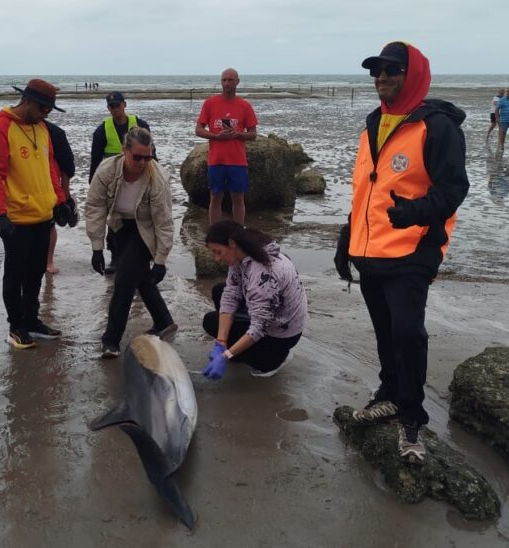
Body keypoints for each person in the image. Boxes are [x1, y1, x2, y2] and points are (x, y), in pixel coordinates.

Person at [334, 42, 469, 464]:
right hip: (371, 251)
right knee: (385, 332)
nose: (381, 77)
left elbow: (454, 189)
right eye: (376, 71)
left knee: (409, 333)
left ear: (412, 75)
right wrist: (346, 240)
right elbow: (364, 192)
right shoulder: (372, 124)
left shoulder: (437, 126)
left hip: (413, 251)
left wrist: (415, 213)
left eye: (391, 70)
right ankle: (390, 393)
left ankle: (412, 420)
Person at [0, 79, 71, 348]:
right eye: (44, 108)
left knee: (35, 273)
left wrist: (60, 201)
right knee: (15, 274)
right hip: (17, 218)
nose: (47, 113)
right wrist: (0, 214)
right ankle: (16, 326)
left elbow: (49, 169)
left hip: (42, 216)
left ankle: (32, 320)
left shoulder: (43, 129)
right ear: (29, 102)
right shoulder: (0, 129)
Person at [86, 127, 176, 358]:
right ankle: (164, 321)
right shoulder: (106, 170)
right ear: (125, 151)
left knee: (124, 282)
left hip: (144, 230)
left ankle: (111, 340)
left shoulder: (157, 178)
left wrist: (161, 260)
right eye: (137, 157)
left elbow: (164, 221)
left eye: (148, 157)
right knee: (140, 277)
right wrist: (97, 248)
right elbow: (95, 207)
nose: (143, 162)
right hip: (118, 225)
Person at [201, 221, 307, 380]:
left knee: (211, 322)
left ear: (231, 244)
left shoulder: (263, 274)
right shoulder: (243, 251)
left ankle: (275, 359)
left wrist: (226, 355)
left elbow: (259, 327)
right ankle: (237, 349)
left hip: (282, 333)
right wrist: (221, 342)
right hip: (273, 309)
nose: (216, 259)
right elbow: (230, 293)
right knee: (220, 290)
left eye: (218, 252)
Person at [90, 91, 154, 273]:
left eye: (118, 105)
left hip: (139, 179)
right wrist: (93, 186)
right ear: (108, 108)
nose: (115, 109)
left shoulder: (141, 125)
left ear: (124, 105)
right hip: (113, 183)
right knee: (115, 222)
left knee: (142, 218)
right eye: (111, 106)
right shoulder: (101, 130)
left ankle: (144, 257)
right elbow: (95, 162)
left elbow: (151, 155)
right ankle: (116, 258)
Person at [195, 68, 258, 226]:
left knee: (238, 197)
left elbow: (253, 134)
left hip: (237, 161)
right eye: (224, 80)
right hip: (216, 160)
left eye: (230, 80)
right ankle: (214, 232)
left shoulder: (244, 106)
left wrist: (237, 134)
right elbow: (198, 130)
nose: (227, 83)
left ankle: (238, 232)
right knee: (215, 197)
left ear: (237, 82)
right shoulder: (210, 103)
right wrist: (216, 136)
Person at [44, 120, 77, 274]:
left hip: (50, 186)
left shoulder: (55, 132)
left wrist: (65, 195)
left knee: (50, 225)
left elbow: (67, 165)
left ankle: (49, 261)